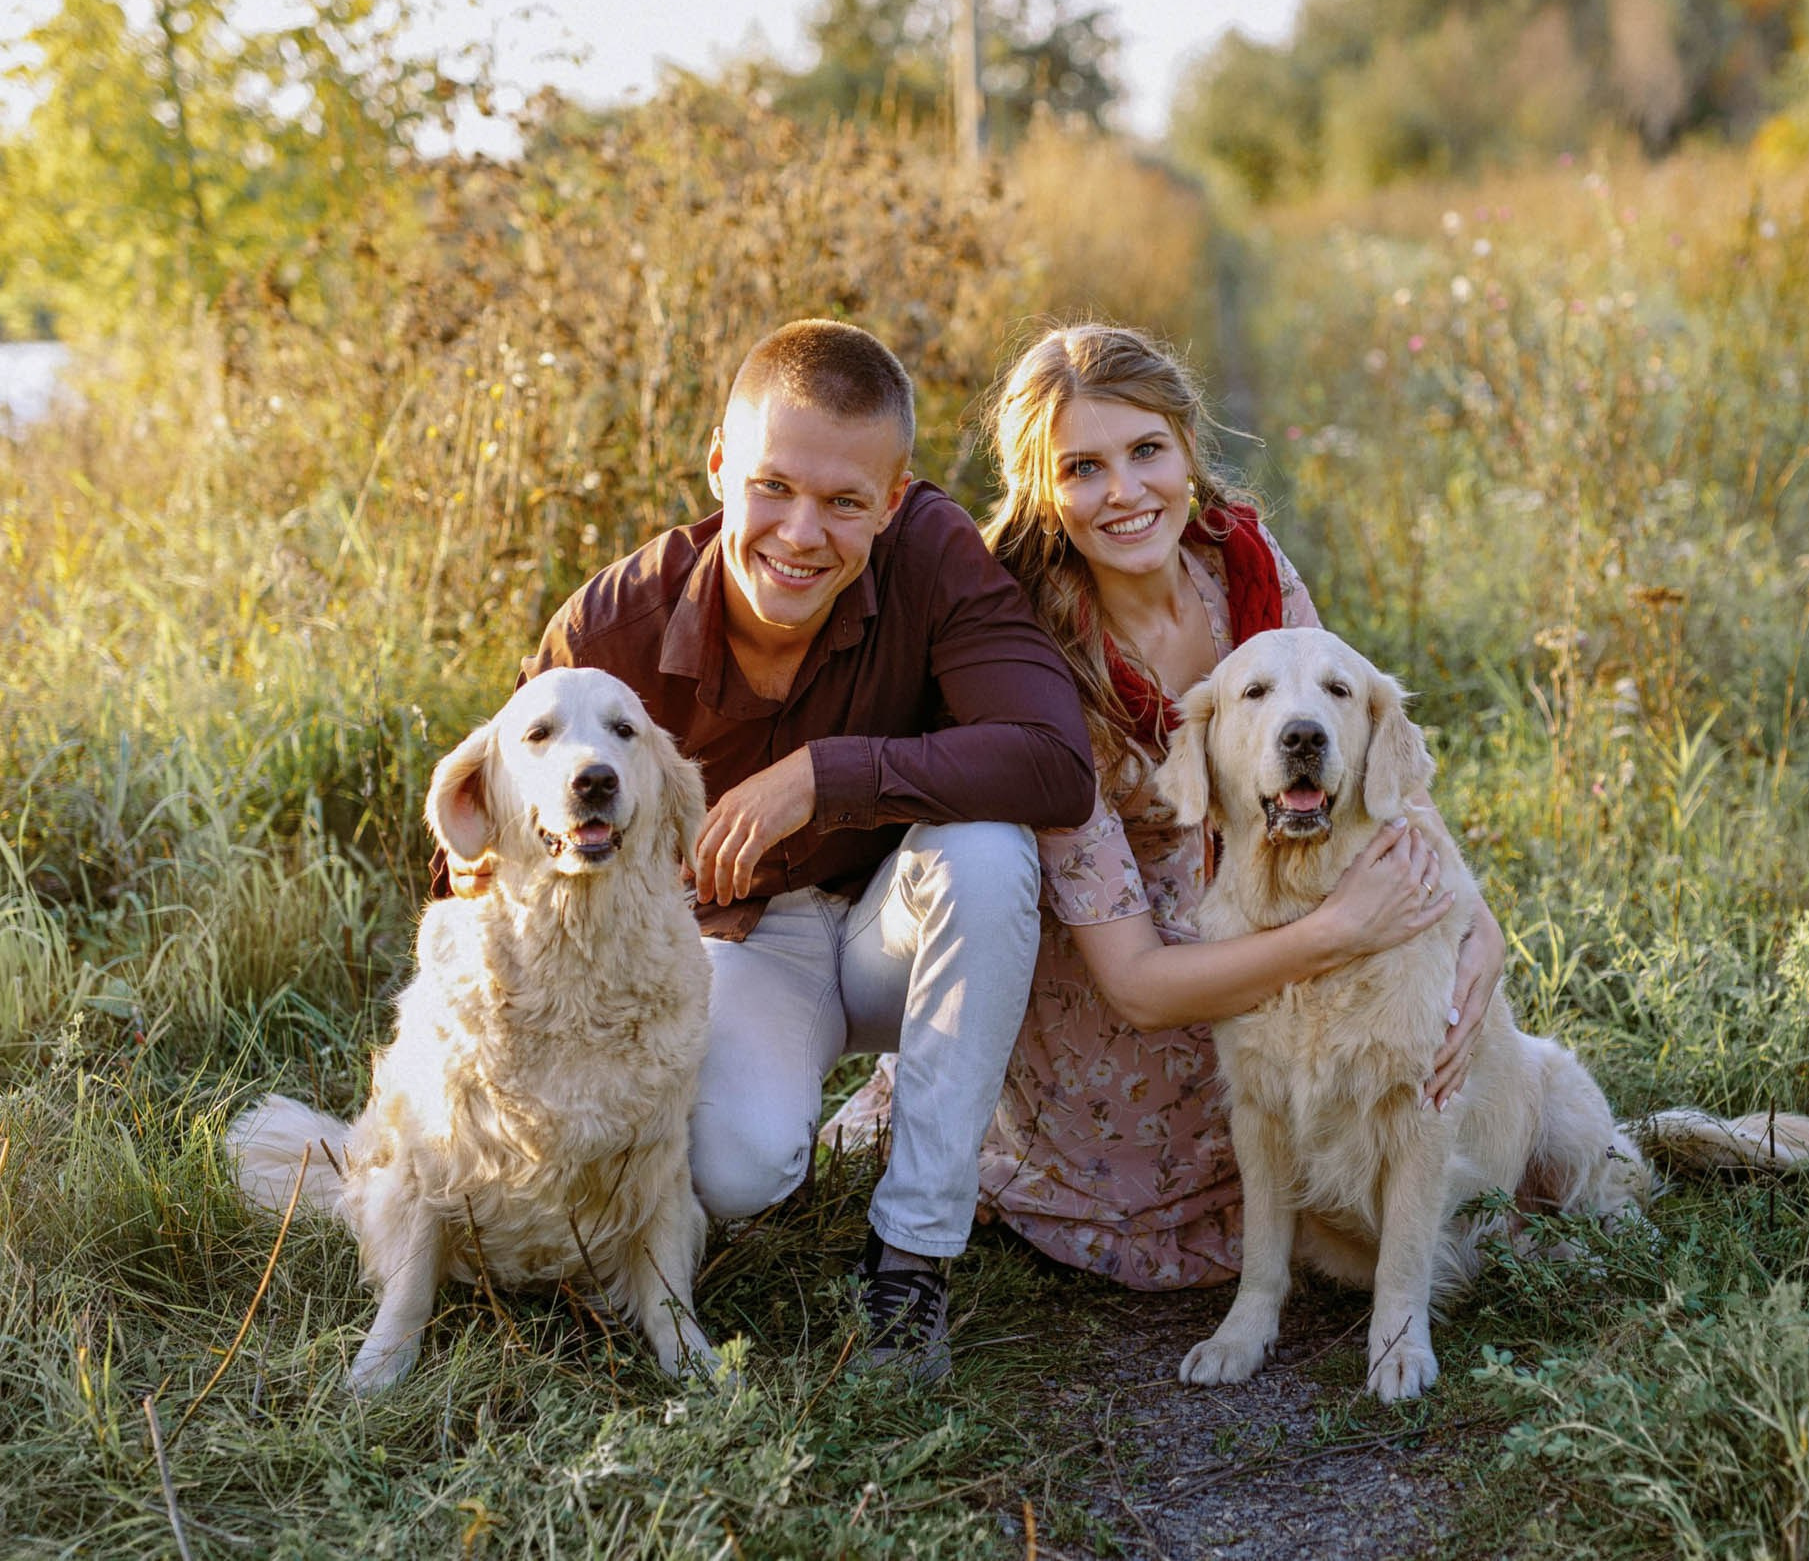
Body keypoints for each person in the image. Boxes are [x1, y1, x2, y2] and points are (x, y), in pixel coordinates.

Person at [502, 317, 1097, 1377]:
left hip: (894, 924)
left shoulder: (933, 554)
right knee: (735, 1171)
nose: (800, 532)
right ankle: (770, 1145)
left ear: (898, 494)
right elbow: (493, 851)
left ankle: (910, 1261)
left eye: (843, 502)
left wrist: (828, 776)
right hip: (736, 946)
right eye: (772, 486)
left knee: (990, 850)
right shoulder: (609, 635)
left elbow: (1055, 762)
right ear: (721, 463)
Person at [906, 323, 1505, 1288]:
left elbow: (1377, 772)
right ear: (1044, 493)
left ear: (1187, 445)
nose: (1126, 491)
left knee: (1421, 1087)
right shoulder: (1034, 667)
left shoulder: (1249, 569)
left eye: (1147, 450)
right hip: (1121, 1020)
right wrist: (1343, 929)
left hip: (1277, 948)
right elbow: (1138, 986)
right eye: (1083, 468)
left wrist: (1481, 927)